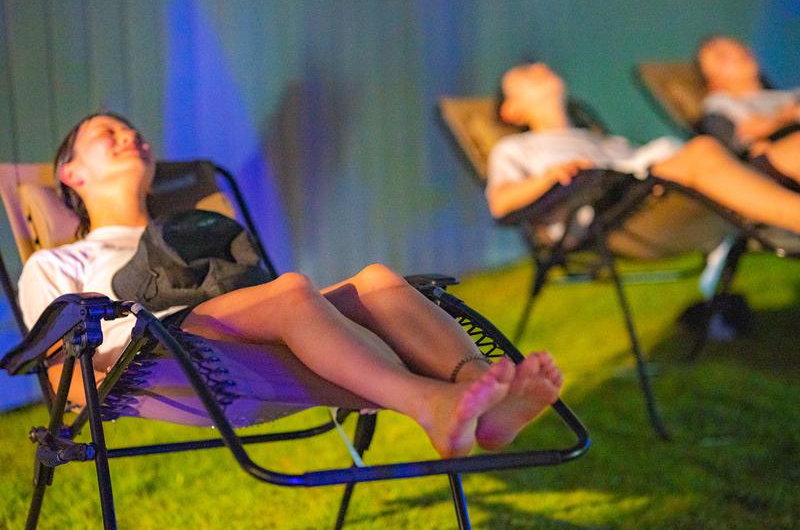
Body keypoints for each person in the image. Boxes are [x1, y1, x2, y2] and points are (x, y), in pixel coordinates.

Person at [18, 112, 563, 458]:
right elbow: (56, 362)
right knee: (294, 292)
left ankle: (482, 395)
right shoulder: (62, 260)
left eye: (132, 130)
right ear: (71, 173)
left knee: (378, 282)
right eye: (106, 134)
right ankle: (431, 402)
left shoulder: (197, 232)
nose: (129, 135)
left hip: (255, 326)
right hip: (160, 358)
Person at [486, 62, 800, 237]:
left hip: (677, 184)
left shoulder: (598, 139)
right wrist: (548, 178)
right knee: (702, 150)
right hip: (623, 216)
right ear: (511, 111)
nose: (540, 66)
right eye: (527, 72)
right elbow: (501, 203)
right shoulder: (515, 147)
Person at [696, 35, 800, 192]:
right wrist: (786, 116)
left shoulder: (781, 96)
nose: (737, 54)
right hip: (769, 168)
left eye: (737, 46)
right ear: (712, 82)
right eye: (722, 56)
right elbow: (748, 132)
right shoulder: (719, 103)